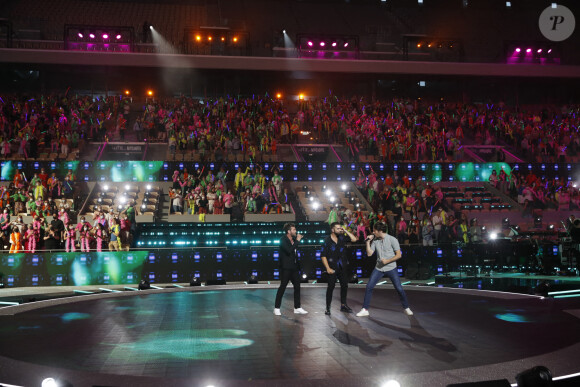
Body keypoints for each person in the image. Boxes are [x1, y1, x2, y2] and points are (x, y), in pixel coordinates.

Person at [356, 221, 413, 317]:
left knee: (399, 288)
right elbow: (370, 254)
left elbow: (399, 255)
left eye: (374, 231)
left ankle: (406, 307)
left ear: (379, 231)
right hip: (379, 268)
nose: (373, 232)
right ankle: (365, 309)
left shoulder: (392, 239)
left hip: (391, 268)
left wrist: (387, 261)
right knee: (369, 286)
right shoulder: (375, 240)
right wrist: (368, 242)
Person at [320, 222, 358, 315]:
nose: (340, 230)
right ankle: (328, 308)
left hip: (342, 266)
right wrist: (328, 268)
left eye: (340, 228)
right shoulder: (327, 241)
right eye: (338, 228)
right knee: (331, 287)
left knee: (344, 285)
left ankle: (343, 305)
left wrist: (345, 230)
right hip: (332, 267)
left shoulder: (342, 238)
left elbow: (354, 239)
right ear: (332, 230)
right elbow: (323, 256)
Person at [274, 223, 308, 316]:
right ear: (288, 231)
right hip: (286, 268)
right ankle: (277, 308)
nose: (295, 231)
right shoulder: (283, 240)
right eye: (293, 230)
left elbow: (294, 253)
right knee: (283, 287)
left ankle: (297, 307)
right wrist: (297, 241)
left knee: (297, 287)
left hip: (295, 267)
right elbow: (289, 251)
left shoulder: (293, 240)